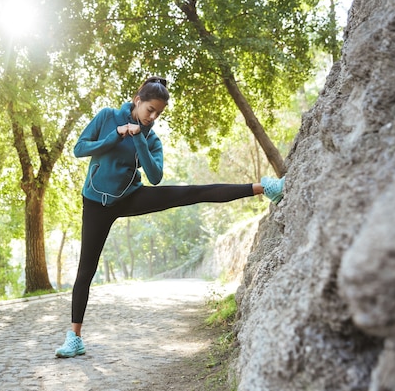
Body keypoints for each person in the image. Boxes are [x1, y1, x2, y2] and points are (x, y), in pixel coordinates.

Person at [55, 76, 285, 358]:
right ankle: (75, 338)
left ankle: (264, 188)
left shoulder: (151, 139)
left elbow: (154, 176)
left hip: (130, 198)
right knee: (85, 272)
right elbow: (80, 149)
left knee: (190, 193)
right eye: (150, 109)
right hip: (95, 203)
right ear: (137, 100)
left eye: (158, 113)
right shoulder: (107, 117)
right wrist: (116, 134)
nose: (153, 117)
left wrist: (138, 136)